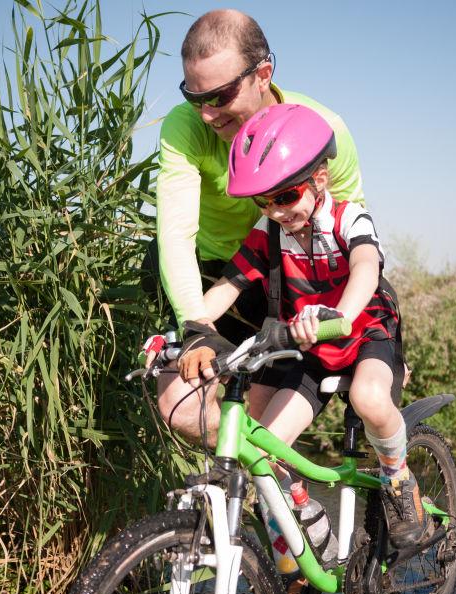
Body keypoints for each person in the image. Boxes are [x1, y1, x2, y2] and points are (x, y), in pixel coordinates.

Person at [177, 103, 429, 552]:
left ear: (320, 180)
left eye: (286, 196)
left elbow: (366, 268)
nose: (275, 210)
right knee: (268, 450)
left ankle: (399, 482)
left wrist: (341, 315)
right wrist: (193, 329)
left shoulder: (348, 219)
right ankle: (309, 524)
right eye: (264, 200)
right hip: (310, 343)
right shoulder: (270, 230)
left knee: (368, 398)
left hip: (366, 329)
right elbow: (229, 284)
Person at [147, 9, 366, 443]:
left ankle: (287, 498)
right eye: (195, 98)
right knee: (180, 407)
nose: (207, 114)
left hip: (290, 282)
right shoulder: (185, 128)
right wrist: (195, 325)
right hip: (216, 277)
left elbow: (352, 233)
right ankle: (259, 484)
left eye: (221, 95)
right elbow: (174, 232)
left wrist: (372, 330)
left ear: (263, 74)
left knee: (273, 416)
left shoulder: (324, 130)